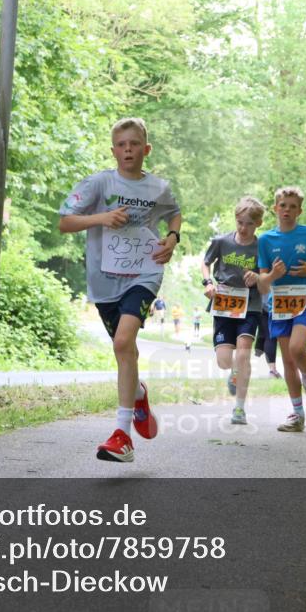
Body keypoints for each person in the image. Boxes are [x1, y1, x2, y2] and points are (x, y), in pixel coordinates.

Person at [58, 117, 181, 462]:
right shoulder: (99, 183)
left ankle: (122, 436)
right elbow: (64, 221)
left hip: (145, 273)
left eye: (134, 144)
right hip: (105, 281)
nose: (128, 150)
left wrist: (172, 238)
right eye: (122, 145)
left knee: (124, 342)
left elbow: (174, 214)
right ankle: (138, 393)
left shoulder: (158, 187)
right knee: (123, 350)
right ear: (114, 150)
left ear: (146, 149)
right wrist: (101, 218)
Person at [257, 186, 306, 433]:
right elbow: (262, 281)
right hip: (279, 303)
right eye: (283, 206)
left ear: (300, 211)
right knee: (287, 361)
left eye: (292, 207)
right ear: (275, 209)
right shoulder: (265, 240)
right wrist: (273, 274)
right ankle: (297, 414)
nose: (287, 210)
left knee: (296, 348)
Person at [201, 196, 266, 425]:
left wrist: (258, 277)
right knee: (224, 360)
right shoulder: (222, 241)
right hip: (224, 304)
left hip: (251, 304)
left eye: (249, 223)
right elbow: (206, 263)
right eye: (240, 222)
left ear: (258, 223)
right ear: (235, 219)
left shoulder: (262, 247)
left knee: (244, 352)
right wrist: (208, 283)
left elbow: (268, 277)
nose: (243, 227)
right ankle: (233, 371)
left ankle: (239, 409)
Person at [254, 291, 282, 379]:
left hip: (262, 303)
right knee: (271, 336)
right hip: (277, 301)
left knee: (268, 333)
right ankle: (272, 370)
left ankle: (260, 342)